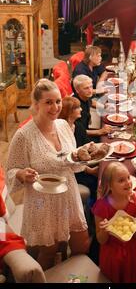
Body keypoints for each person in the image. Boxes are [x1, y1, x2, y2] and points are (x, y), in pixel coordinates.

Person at [6, 79, 90, 270]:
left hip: (69, 194)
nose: (55, 107)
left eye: (58, 101)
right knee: (49, 253)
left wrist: (82, 157)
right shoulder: (24, 135)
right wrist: (21, 174)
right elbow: (11, 170)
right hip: (42, 202)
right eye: (48, 102)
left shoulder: (63, 125)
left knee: (81, 244)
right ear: (36, 105)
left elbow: (73, 164)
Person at [92, 162, 136, 283]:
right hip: (111, 255)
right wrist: (104, 230)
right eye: (121, 180)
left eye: (128, 177)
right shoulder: (101, 207)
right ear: (109, 186)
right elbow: (101, 240)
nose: (128, 182)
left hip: (132, 252)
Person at [59, 96, 99, 201]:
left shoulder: (78, 126)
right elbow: (66, 160)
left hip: (83, 165)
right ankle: (92, 211)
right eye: (77, 108)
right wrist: (90, 171)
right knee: (96, 182)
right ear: (69, 112)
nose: (81, 109)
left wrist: (91, 146)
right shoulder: (60, 131)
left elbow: (85, 146)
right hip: (70, 173)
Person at [72, 75, 112, 139]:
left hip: (87, 129)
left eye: (91, 87)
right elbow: (77, 131)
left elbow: (91, 102)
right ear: (77, 90)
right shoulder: (75, 107)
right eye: (86, 88)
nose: (90, 91)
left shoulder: (84, 96)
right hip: (80, 138)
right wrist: (99, 131)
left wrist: (104, 106)